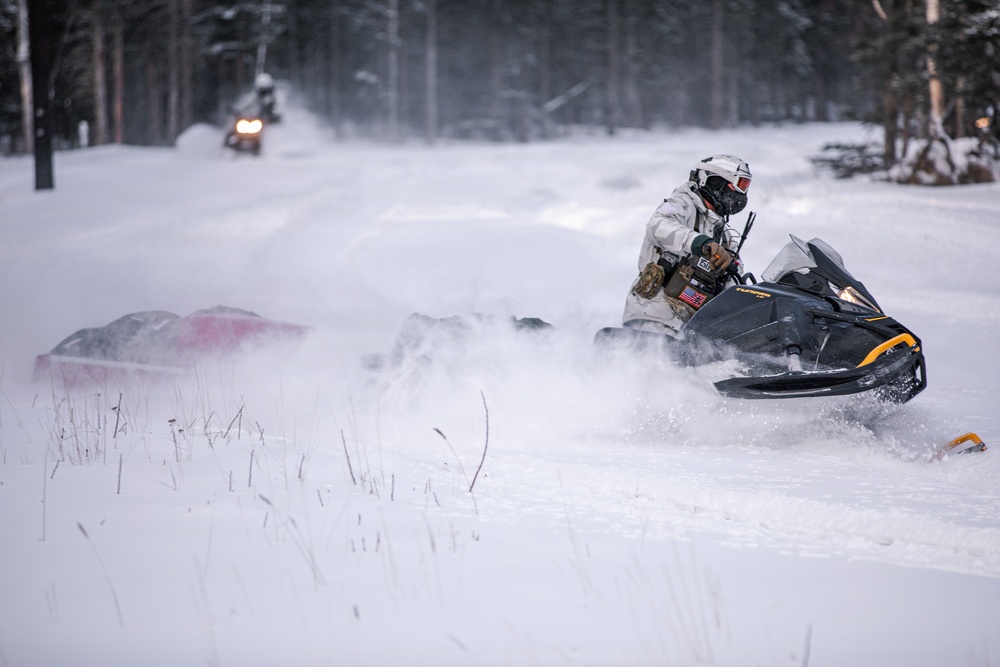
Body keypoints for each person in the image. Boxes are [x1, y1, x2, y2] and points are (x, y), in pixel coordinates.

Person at [621, 154, 752, 337]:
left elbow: (730, 287)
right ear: (716, 183)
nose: (742, 194)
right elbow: (658, 225)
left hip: (691, 331)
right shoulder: (682, 204)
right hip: (654, 316)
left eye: (747, 186)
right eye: (740, 185)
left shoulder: (725, 236)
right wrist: (701, 243)